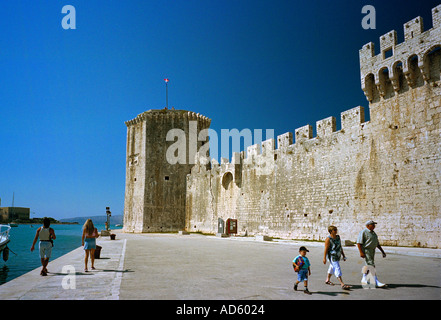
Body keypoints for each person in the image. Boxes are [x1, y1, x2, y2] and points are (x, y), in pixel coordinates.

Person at [356, 220, 387, 287]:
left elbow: (377, 244)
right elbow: (358, 243)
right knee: (371, 265)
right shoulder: (363, 232)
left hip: (372, 251)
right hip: (367, 251)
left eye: (374, 224)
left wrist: (382, 251)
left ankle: (364, 278)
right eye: (372, 224)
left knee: (368, 265)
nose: (374, 226)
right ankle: (376, 281)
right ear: (367, 225)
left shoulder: (373, 233)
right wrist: (361, 252)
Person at [323, 226, 351, 290]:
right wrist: (324, 258)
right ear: (330, 231)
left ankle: (327, 280)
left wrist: (343, 255)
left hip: (338, 255)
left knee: (332, 267)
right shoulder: (328, 239)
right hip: (332, 256)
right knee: (337, 268)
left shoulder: (338, 237)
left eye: (336, 230)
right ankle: (342, 284)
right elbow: (326, 249)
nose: (336, 231)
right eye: (334, 230)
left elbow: (340, 247)